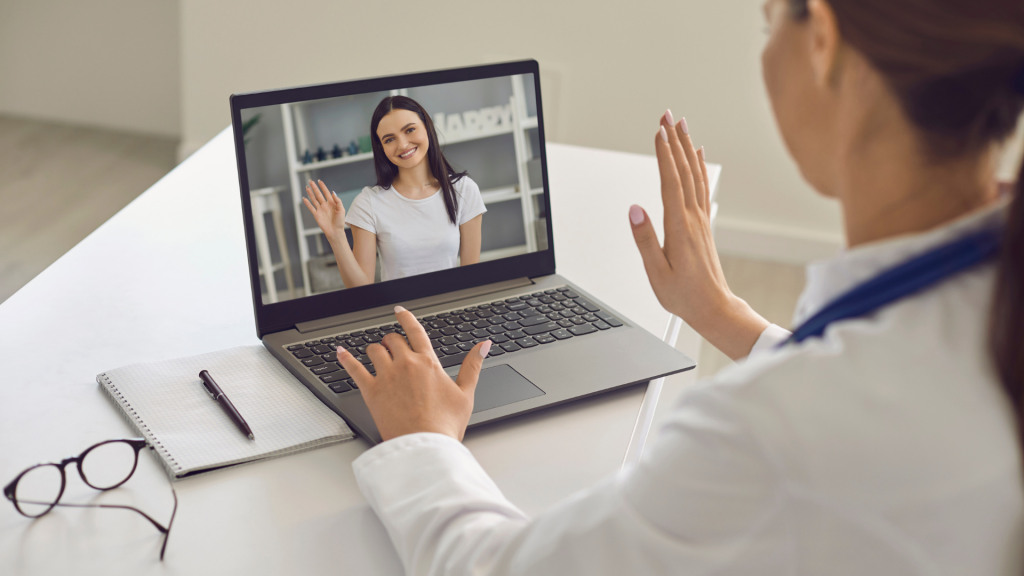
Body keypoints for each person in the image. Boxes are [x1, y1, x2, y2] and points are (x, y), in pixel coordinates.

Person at [337, 0, 1024, 573]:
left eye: (767, 25)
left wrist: (422, 441)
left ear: (822, 39)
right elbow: (882, 397)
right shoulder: (991, 290)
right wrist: (725, 317)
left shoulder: (765, 432)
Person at [303, 96, 486, 288]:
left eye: (410, 130)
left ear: (427, 128)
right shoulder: (368, 202)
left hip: (452, 311)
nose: (403, 144)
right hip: (398, 313)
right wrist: (337, 236)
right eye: (389, 139)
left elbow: (470, 279)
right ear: (381, 148)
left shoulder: (464, 190)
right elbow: (361, 289)